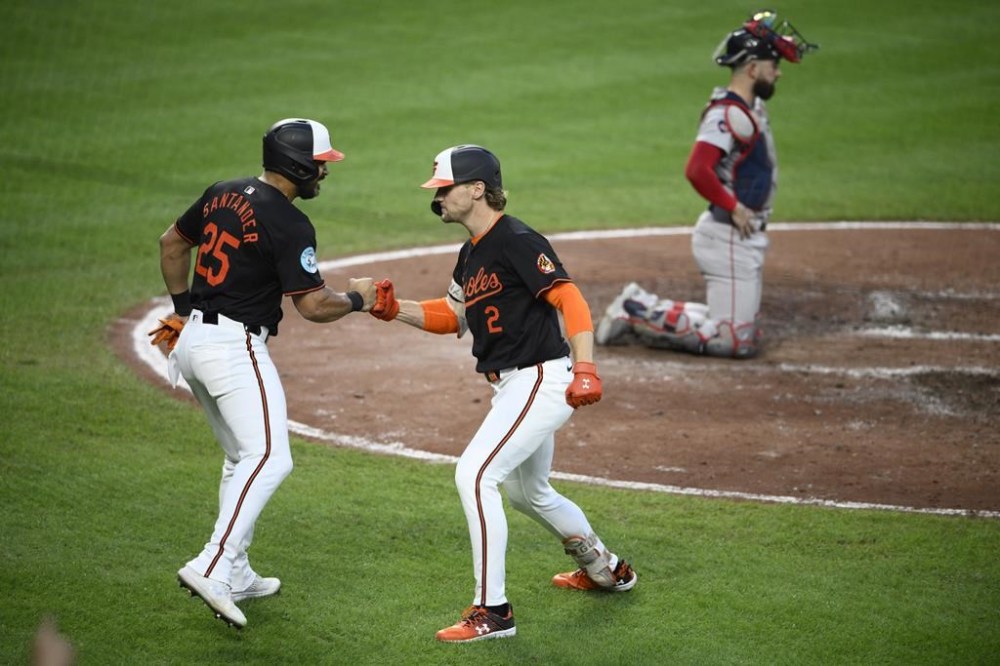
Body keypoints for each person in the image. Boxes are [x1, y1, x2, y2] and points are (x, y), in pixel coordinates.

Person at [368, 145, 637, 643]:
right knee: (527, 492)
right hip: (513, 383)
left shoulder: (515, 238)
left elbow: (569, 297)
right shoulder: (470, 252)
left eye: (444, 189)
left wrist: (587, 368)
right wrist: (391, 309)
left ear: (476, 189)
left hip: (540, 378)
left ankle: (493, 611)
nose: (437, 198)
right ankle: (607, 569)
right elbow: (453, 317)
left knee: (474, 475)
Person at [149, 118, 377, 629]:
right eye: (320, 164)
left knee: (240, 457)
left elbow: (171, 245)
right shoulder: (291, 223)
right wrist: (361, 299)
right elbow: (314, 306)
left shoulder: (222, 191)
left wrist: (183, 311)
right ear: (298, 165)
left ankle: (236, 569)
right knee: (271, 458)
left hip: (192, 344)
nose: (323, 172)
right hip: (233, 347)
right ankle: (211, 564)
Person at [596, 10, 817, 358]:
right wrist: (734, 207)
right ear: (752, 68)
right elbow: (697, 169)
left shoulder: (749, 106)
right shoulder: (727, 114)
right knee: (735, 340)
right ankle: (636, 311)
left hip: (740, 236)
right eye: (773, 65)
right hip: (728, 235)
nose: (778, 73)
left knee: (730, 324)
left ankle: (639, 303)